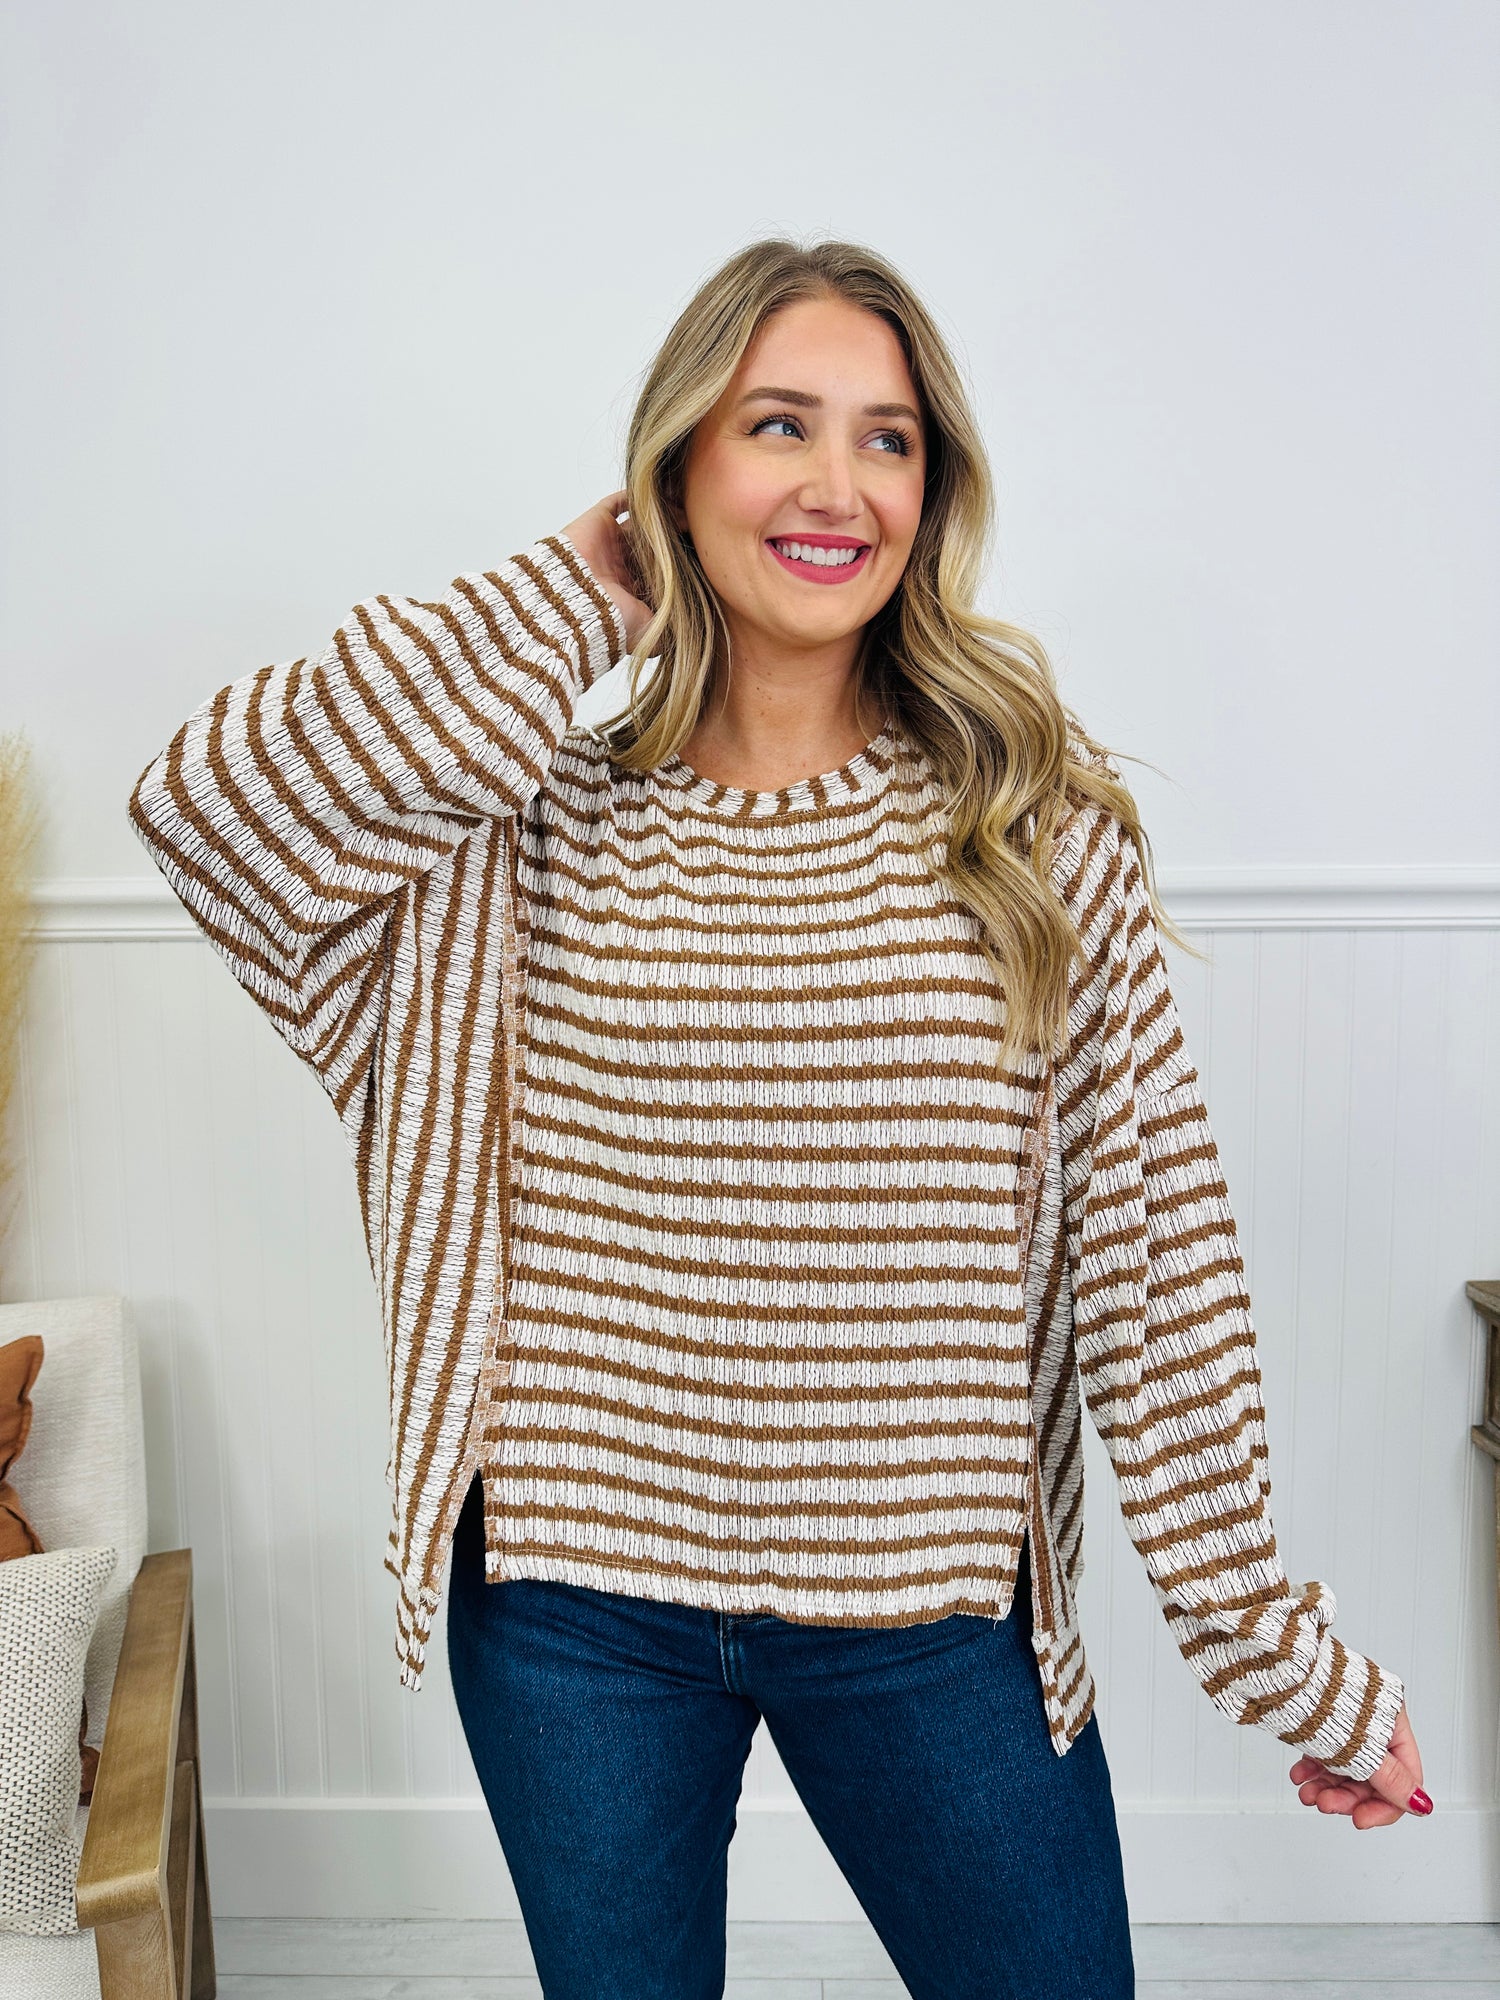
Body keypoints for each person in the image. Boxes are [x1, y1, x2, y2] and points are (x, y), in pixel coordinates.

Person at [129, 239, 1429, 2000]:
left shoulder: (1032, 834)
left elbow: (1159, 1272)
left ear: (932, 492)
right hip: (574, 1617)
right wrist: (577, 591)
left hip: (929, 1617)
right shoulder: (510, 850)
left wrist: (1279, 1655)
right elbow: (206, 806)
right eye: (778, 426)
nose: (838, 486)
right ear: (676, 469)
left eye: (889, 440)